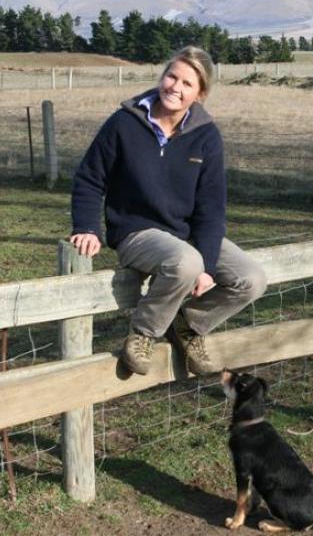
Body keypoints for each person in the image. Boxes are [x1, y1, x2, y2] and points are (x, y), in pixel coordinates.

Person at [70, 46, 267, 376]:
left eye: (187, 83)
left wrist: (206, 264)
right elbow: (90, 177)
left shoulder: (206, 137)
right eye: (171, 76)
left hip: (187, 233)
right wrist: (88, 226)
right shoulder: (124, 123)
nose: (175, 87)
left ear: (199, 94)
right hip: (137, 231)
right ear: (162, 77)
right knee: (185, 263)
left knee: (251, 278)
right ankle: (143, 333)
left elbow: (211, 208)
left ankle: (189, 323)